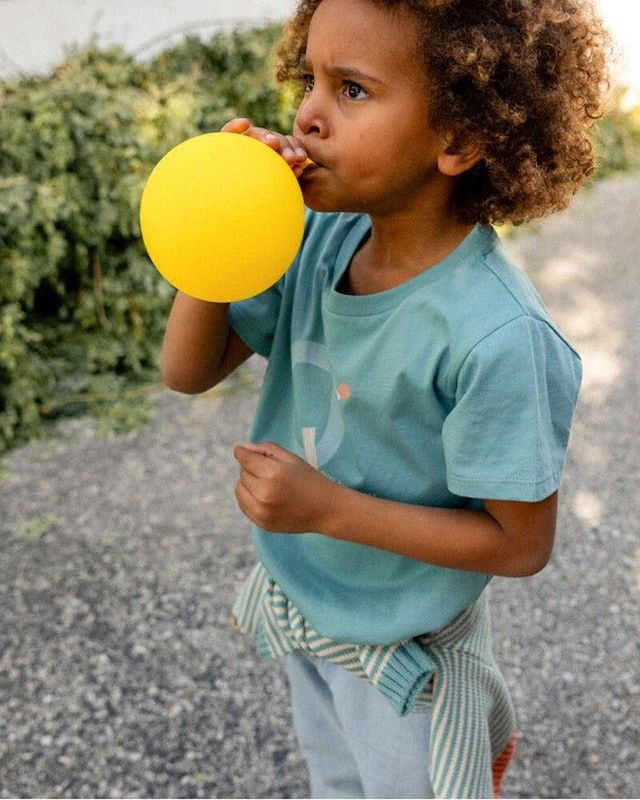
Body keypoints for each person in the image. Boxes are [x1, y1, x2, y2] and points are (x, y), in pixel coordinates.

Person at [160, 0, 609, 796]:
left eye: (352, 89)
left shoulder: (496, 335)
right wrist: (214, 237)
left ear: (459, 139)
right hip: (308, 611)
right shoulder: (316, 239)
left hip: (411, 661)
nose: (308, 114)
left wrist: (328, 509)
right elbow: (187, 372)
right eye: (310, 79)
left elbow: (519, 545)